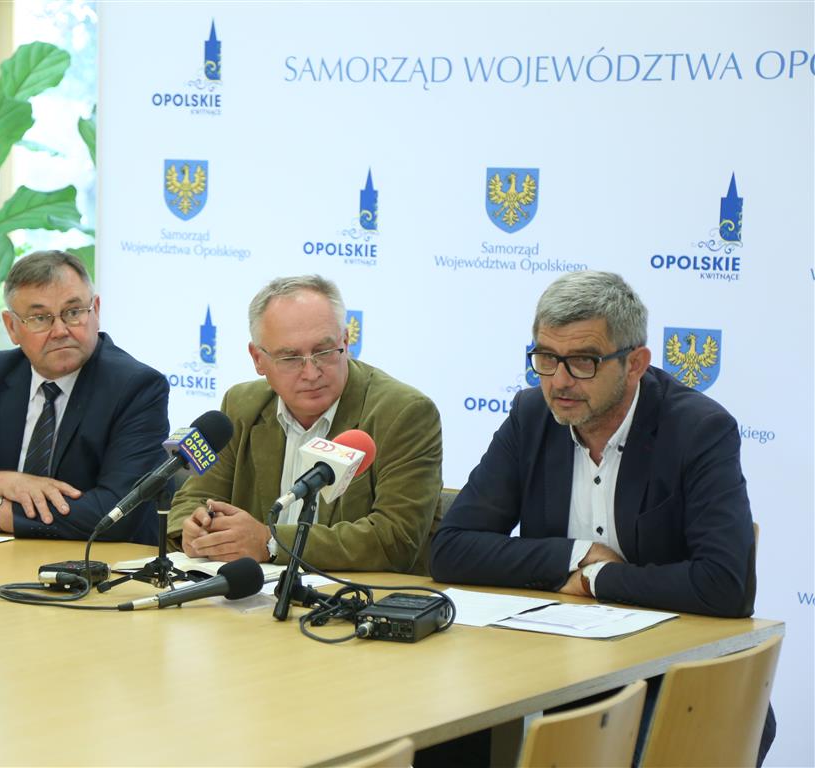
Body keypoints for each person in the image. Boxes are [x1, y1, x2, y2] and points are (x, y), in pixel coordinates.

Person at [427, 270, 772, 766]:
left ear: (635, 364)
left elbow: (725, 585)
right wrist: (577, 555)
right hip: (554, 669)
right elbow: (452, 548)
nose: (559, 381)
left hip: (679, 681)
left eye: (583, 361)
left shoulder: (698, 430)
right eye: (546, 358)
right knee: (445, 725)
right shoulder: (532, 415)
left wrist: (597, 579)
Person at [167, 275, 443, 573]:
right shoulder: (241, 406)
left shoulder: (403, 413)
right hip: (253, 594)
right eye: (290, 358)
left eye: (324, 352)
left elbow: (396, 539)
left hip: (354, 595)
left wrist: (271, 542)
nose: (311, 373)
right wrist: (194, 529)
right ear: (258, 358)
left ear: (345, 342)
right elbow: (192, 500)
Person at [0, 250, 169, 542]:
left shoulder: (135, 387)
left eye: (73, 312)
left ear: (96, 311)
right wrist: (2, 483)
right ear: (12, 327)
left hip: (94, 562)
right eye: (40, 318)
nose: (60, 331)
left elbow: (118, 513)